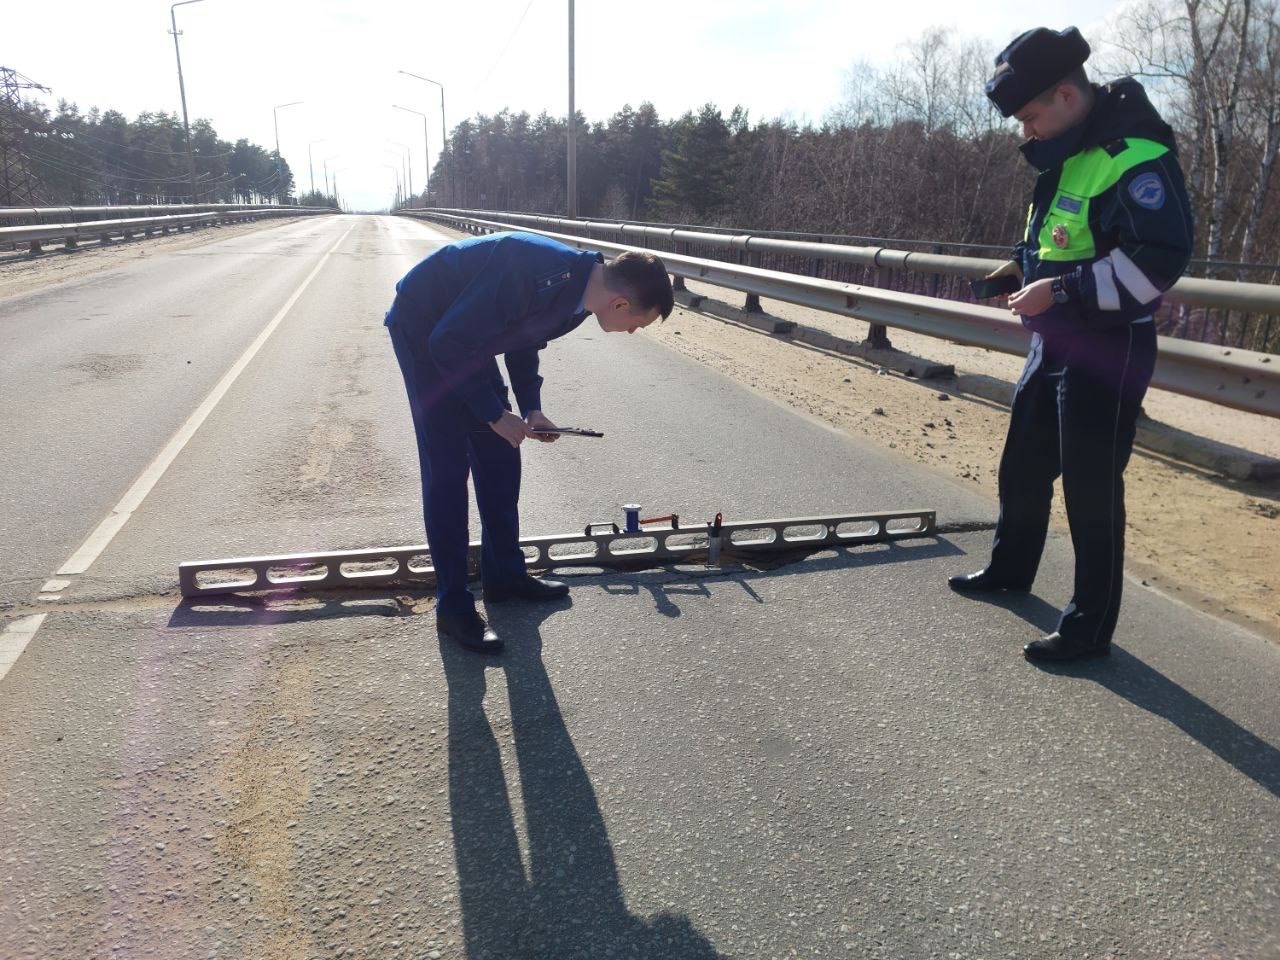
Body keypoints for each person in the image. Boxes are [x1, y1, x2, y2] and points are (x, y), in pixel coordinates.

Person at [948, 26, 1194, 662]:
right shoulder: (1068, 148)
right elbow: (1061, 239)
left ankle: (1088, 630)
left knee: (1091, 489)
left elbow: (1156, 264)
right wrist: (1019, 273)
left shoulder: (1134, 156)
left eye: (1029, 117)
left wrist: (1056, 293)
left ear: (1064, 94)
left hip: (1110, 347)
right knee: (1022, 469)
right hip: (1055, 343)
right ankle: (1010, 570)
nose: (1024, 131)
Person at [385, 231, 674, 653]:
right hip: (425, 327)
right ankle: (453, 606)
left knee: (502, 451)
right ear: (621, 304)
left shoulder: (581, 294)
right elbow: (445, 342)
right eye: (638, 324)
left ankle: (503, 574)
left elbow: (522, 339)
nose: (631, 332)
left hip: (466, 335)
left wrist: (530, 407)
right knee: (447, 469)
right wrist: (492, 413)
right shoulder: (539, 273)